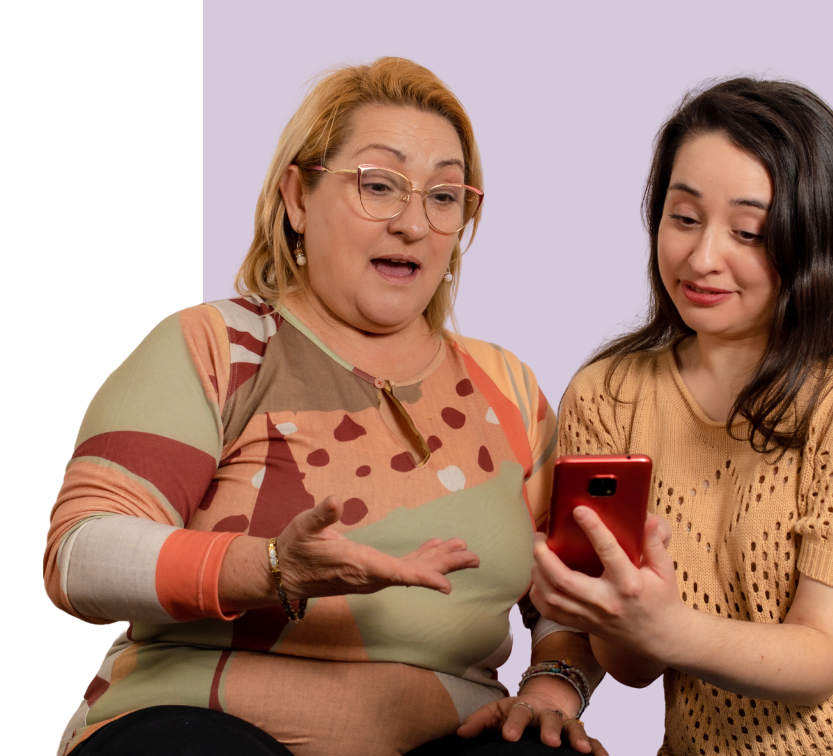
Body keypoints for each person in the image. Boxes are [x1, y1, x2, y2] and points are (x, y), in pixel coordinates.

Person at [45, 57, 606, 756]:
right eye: (379, 185)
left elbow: (572, 597)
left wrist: (552, 688)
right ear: (297, 199)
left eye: (443, 195)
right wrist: (272, 567)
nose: (413, 223)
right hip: (197, 723)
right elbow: (80, 556)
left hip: (450, 735)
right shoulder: (216, 345)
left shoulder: (509, 386)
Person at [531, 77, 833, 754]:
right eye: (683, 218)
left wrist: (666, 626)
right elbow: (632, 667)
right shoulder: (608, 393)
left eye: (748, 232)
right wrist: (609, 609)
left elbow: (821, 655)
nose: (701, 259)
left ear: (817, 238)